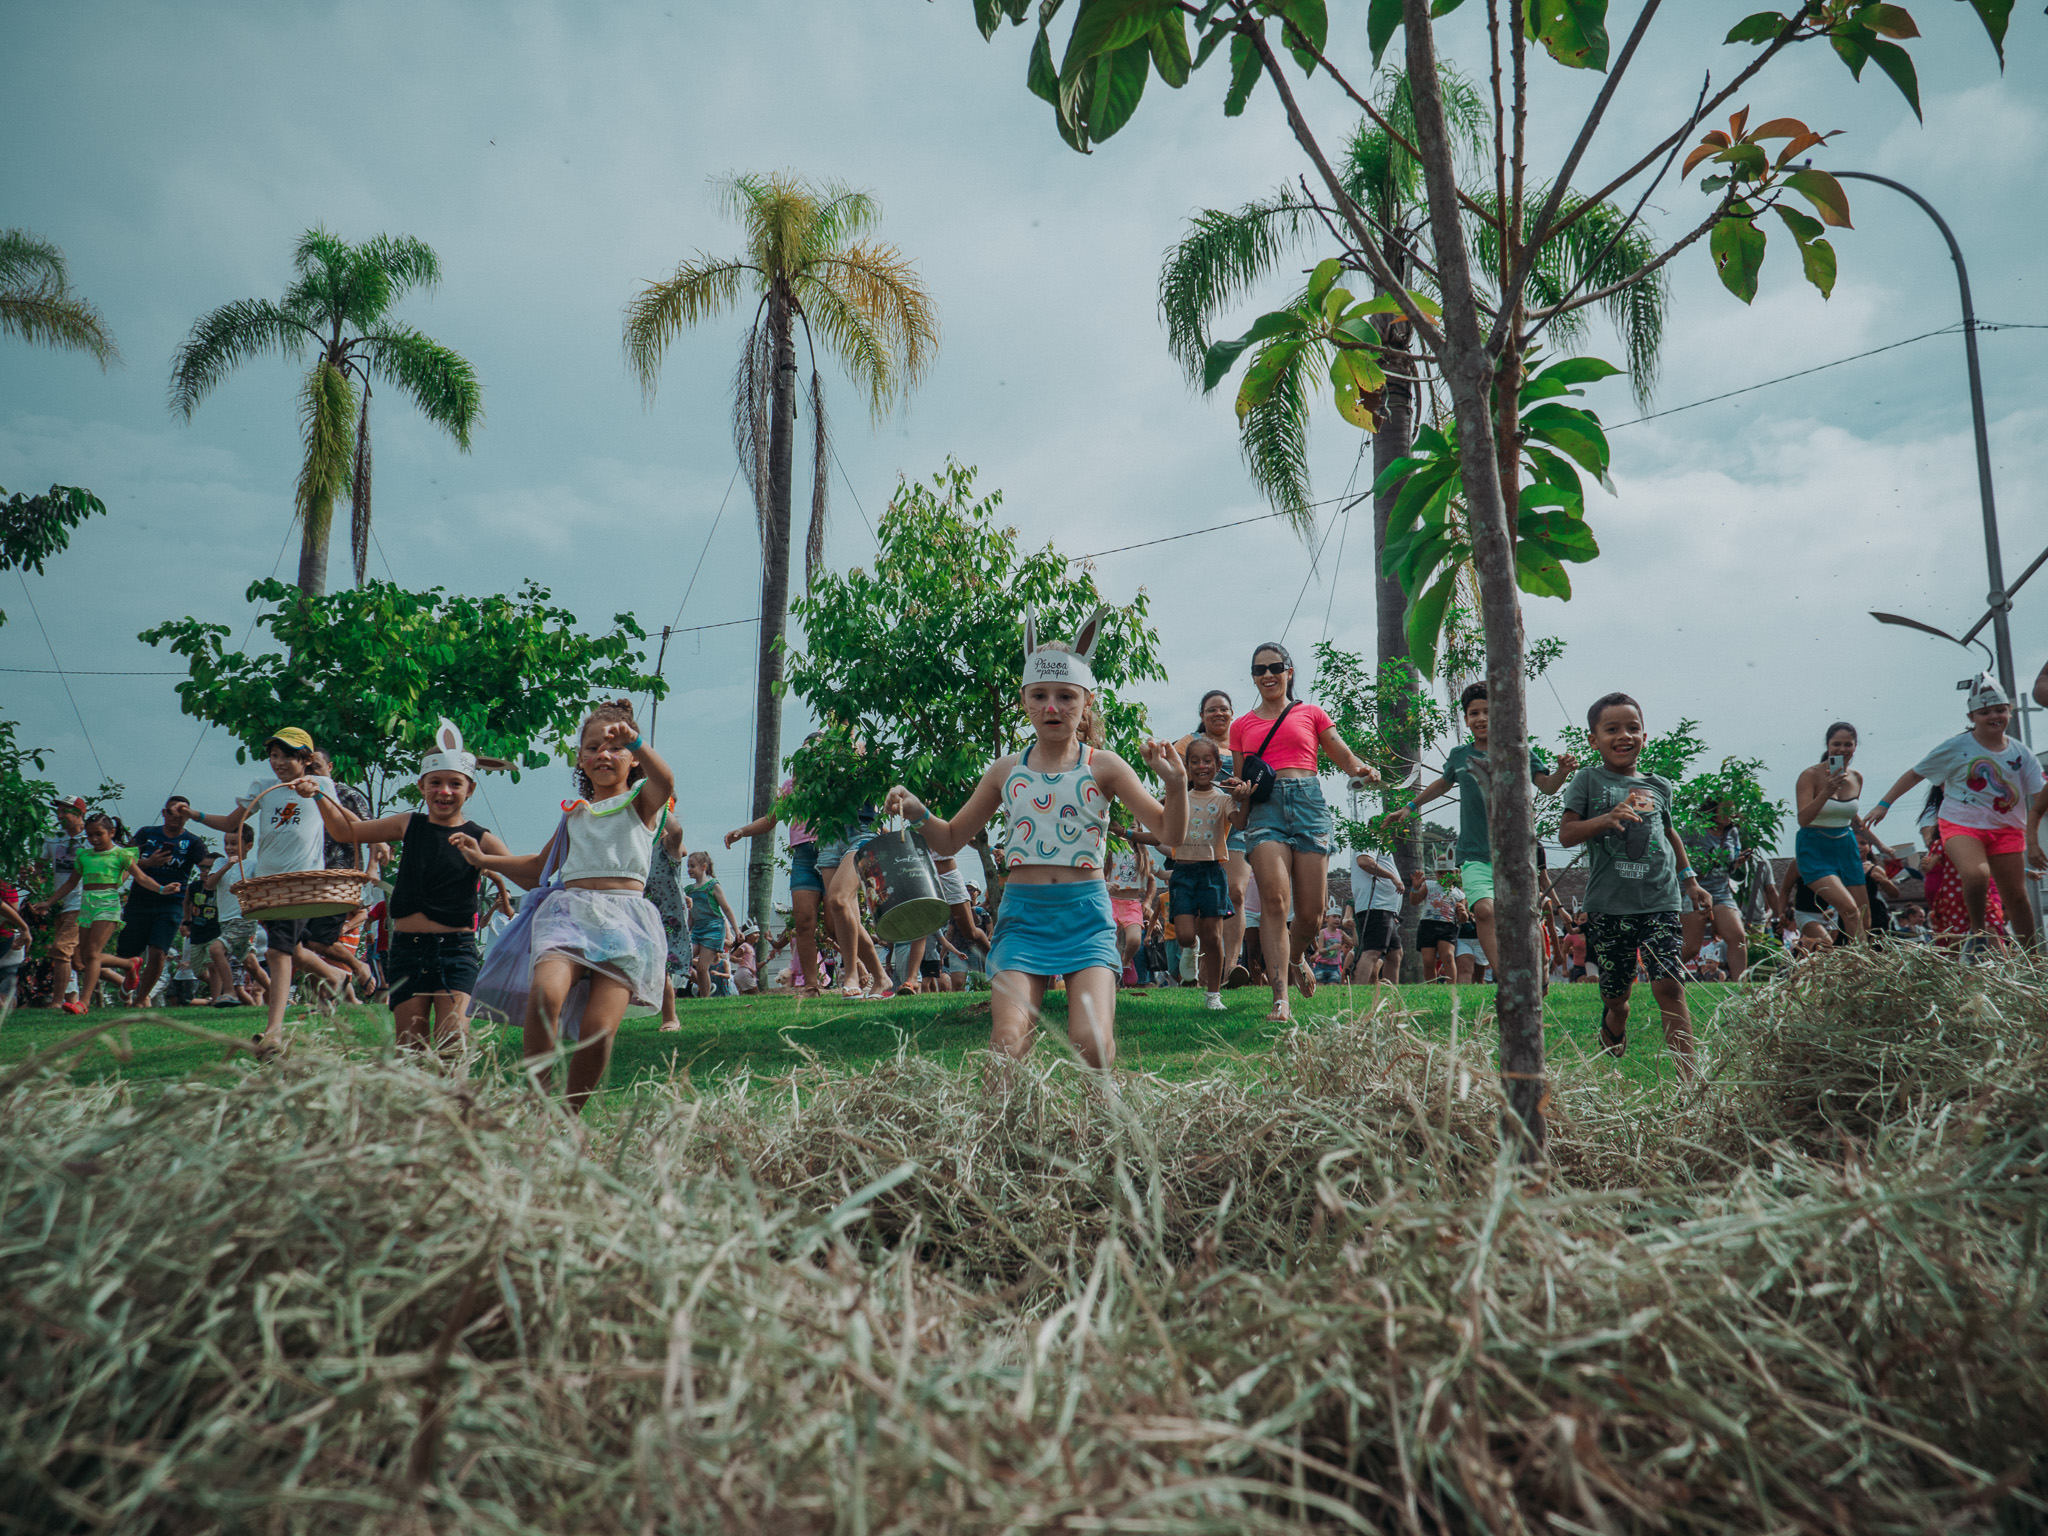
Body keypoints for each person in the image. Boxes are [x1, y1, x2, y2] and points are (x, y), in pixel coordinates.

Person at [882, 607, 1187, 1069]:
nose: (1052, 707)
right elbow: (948, 840)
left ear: (1086, 701)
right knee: (1007, 1044)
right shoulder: (1005, 770)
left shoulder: (1105, 766)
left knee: (1092, 1044)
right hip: (1022, 922)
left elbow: (1169, 832)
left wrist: (1176, 785)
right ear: (1023, 699)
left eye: (1066, 696)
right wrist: (917, 810)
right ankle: (1000, 1118)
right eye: (1039, 695)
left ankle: (1105, 1112)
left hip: (1087, 919)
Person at [452, 700, 675, 1112]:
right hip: (568, 915)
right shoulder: (574, 815)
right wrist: (483, 859)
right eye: (592, 747)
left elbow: (666, 779)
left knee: (598, 1031)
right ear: (580, 760)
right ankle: (537, 1103)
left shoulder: (642, 804)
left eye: (616, 748)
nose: (603, 754)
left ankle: (568, 1114)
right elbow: (538, 869)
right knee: (544, 997)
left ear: (633, 761)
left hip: (625, 924)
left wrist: (637, 741)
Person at [304, 719, 513, 1053]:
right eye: (435, 783)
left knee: (452, 1044)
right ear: (421, 786)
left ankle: (452, 1089)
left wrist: (491, 864)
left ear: (470, 789)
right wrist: (320, 795)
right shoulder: (408, 824)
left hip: (455, 951)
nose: (444, 791)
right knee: (411, 1047)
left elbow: (526, 871)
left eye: (455, 784)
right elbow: (345, 832)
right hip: (407, 950)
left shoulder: (480, 837)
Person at [1558, 692, 1710, 1085]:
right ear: (1594, 740)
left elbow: (1669, 834)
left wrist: (1690, 881)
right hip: (1609, 906)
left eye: (1632, 728)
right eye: (1612, 729)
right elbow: (1567, 834)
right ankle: (1616, 1017)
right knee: (1616, 995)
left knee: (1669, 986)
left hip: (1660, 900)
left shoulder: (1658, 786)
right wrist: (1605, 819)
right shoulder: (1588, 780)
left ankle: (1690, 1083)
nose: (1624, 736)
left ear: (1644, 735)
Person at [1227, 641, 1381, 1023]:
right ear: (1253, 677)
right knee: (1275, 902)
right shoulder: (1241, 726)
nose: (1268, 675)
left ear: (1289, 672)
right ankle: (1280, 998)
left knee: (1311, 916)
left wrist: (1362, 770)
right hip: (1265, 810)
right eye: (1259, 669)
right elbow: (1241, 779)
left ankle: (1296, 957)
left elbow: (1344, 756)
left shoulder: (1311, 713)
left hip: (1309, 805)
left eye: (1275, 667)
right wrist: (1239, 795)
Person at [1387, 682, 1572, 981]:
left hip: (1515, 853)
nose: (1481, 718)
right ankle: (1506, 979)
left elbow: (1547, 786)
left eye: (1488, 711)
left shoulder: (1519, 751)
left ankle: (1538, 966)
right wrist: (1409, 807)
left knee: (1522, 917)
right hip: (1474, 853)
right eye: (1474, 713)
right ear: (1466, 718)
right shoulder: (1460, 756)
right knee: (1484, 911)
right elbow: (1443, 783)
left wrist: (1562, 771)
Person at [187, 727, 345, 1053]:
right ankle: (336, 977)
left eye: (288, 756)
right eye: (274, 756)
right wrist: (195, 815)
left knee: (276, 952)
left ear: (305, 759)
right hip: (267, 886)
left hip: (301, 883)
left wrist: (377, 840)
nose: (279, 762)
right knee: (294, 951)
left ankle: (274, 1032)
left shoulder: (321, 785)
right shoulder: (264, 787)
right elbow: (231, 822)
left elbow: (344, 822)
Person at [1867, 677, 2047, 956]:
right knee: (1976, 874)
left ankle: (2033, 961)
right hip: (1961, 825)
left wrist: (2033, 842)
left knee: (2018, 898)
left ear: (2010, 711)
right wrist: (1884, 803)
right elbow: (1915, 773)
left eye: (2000, 710)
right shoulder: (1957, 746)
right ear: (1972, 717)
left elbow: (2039, 797)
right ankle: (1978, 931)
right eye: (1984, 712)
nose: (1994, 716)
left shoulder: (2020, 753)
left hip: (2006, 830)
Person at [726, 753, 824, 997]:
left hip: (830, 851)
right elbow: (771, 818)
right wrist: (742, 831)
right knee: (803, 922)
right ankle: (811, 985)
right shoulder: (790, 787)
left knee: (836, 921)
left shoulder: (830, 783)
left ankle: (865, 974)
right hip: (803, 855)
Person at [1174, 690, 1252, 987]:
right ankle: (1197, 956)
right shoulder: (1188, 741)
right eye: (1211, 710)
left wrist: (1241, 788)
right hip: (1198, 827)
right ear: (1202, 715)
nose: (1218, 714)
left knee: (1236, 892)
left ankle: (1231, 966)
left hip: (1233, 820)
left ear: (1232, 713)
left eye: (1224, 709)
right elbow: (1174, 778)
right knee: (1200, 902)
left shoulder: (1243, 742)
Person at [64, 813, 175, 1014]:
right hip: (87, 906)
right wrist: (48, 901)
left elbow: (141, 878)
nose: (94, 839)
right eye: (90, 835)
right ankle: (129, 964)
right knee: (81, 961)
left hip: (108, 905)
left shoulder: (122, 854)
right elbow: (71, 882)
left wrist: (161, 889)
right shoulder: (84, 855)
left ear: (112, 832)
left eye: (98, 834)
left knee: (92, 954)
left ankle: (83, 1003)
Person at [110, 795, 209, 1007]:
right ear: (164, 813)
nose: (176, 817)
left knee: (159, 951)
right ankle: (131, 984)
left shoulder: (194, 842)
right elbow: (125, 862)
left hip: (172, 903)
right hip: (139, 900)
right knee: (127, 953)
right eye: (172, 812)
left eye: (182, 813)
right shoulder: (146, 834)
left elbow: (207, 866)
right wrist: (150, 862)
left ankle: (141, 998)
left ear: (187, 817)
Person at [1164, 734, 1237, 1009]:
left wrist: (1243, 797)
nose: (1201, 766)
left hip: (1211, 873)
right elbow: (1161, 831)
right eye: (1194, 761)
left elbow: (1241, 822)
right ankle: (1192, 948)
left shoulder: (1224, 800)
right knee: (1184, 936)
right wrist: (1128, 832)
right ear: (1187, 767)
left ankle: (1213, 995)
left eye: (1207, 761)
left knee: (1213, 937)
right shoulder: (1178, 798)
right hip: (1182, 873)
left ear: (1217, 765)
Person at [1792, 721, 1869, 944]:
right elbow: (1803, 819)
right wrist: (1827, 791)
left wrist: (1882, 847)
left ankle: (1859, 958)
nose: (1842, 749)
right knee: (1850, 909)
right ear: (1828, 745)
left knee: (1865, 919)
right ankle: (1863, 961)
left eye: (1848, 744)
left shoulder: (1857, 778)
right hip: (1815, 846)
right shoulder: (1809, 775)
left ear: (1855, 746)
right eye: (1836, 744)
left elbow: (1853, 819)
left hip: (1846, 846)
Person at [1679, 797, 1753, 980]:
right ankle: (1660, 973)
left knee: (1737, 937)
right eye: (1725, 810)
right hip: (1695, 892)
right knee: (1692, 947)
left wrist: (1737, 862)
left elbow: (1728, 866)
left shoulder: (1732, 833)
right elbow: (1676, 853)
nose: (1730, 814)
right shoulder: (1694, 830)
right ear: (1712, 810)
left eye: (1732, 810)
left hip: (1721, 893)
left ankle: (1740, 986)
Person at [38, 796, 90, 1009]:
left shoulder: (92, 838)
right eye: (58, 811)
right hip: (61, 902)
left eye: (65, 811)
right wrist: (32, 875)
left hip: (83, 902)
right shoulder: (52, 837)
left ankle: (57, 1002)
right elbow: (40, 867)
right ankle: (126, 971)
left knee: (60, 950)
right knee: (78, 961)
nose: (59, 816)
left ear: (80, 813)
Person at [1348, 848, 1407, 993]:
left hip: (1385, 908)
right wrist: (1392, 876)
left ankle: (1390, 996)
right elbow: (1364, 861)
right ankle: (1358, 995)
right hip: (1376, 905)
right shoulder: (1369, 839)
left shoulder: (1380, 843)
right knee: (1372, 951)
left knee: (1395, 953)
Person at [1105, 827, 1153, 985]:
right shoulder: (1110, 850)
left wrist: (1147, 902)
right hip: (1112, 901)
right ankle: (1114, 975)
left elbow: (1154, 878)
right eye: (1123, 825)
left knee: (1134, 940)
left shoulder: (1143, 855)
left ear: (1138, 829)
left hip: (1132, 903)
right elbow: (1099, 873)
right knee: (1111, 941)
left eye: (1131, 826)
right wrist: (1105, 884)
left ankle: (1126, 961)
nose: (1126, 830)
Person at [1415, 866, 1460, 982]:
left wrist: (1463, 912)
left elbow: (1462, 918)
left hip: (1448, 925)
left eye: (1449, 872)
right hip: (1427, 924)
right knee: (1428, 960)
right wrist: (1415, 888)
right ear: (1435, 873)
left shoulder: (1459, 893)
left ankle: (1452, 987)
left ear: (1456, 873)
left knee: (1448, 956)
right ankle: (1432, 987)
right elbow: (1414, 901)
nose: (1445, 875)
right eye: (1440, 872)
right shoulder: (1429, 885)